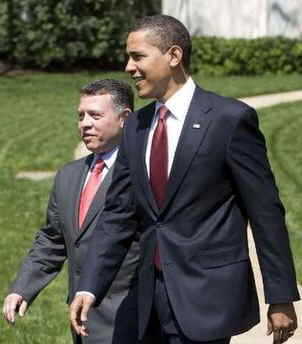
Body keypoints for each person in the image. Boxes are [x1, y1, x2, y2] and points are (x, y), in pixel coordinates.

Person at [70, 15, 300, 344]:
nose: (128, 67)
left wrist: (280, 295)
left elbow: (266, 213)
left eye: (137, 56)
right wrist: (90, 285)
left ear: (174, 56)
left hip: (207, 299)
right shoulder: (135, 127)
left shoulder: (229, 120)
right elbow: (118, 214)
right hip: (148, 300)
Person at [3, 79, 139, 344]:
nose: (84, 123)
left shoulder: (142, 174)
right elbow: (53, 240)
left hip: (129, 320)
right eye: (80, 116)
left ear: (125, 118)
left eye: (95, 115)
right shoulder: (68, 176)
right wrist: (23, 287)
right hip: (81, 322)